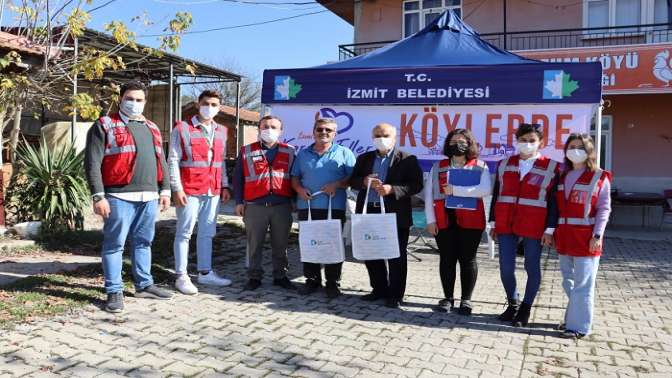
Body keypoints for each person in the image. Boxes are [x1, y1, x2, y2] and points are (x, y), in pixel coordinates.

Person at [84, 80, 174, 313]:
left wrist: (165, 190)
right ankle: (114, 290)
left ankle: (144, 285)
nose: (134, 103)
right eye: (129, 99)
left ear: (145, 102)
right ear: (120, 99)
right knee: (115, 245)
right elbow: (92, 163)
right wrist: (98, 196)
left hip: (149, 196)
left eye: (139, 100)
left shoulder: (152, 127)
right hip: (118, 196)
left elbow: (160, 160)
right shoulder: (104, 125)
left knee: (144, 242)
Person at [490, 123, 559, 327]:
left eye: (532, 141)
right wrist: (492, 222)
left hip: (535, 225)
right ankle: (513, 304)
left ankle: (525, 309)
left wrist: (550, 229)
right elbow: (497, 194)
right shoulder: (504, 163)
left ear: (541, 143)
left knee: (531, 266)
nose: (527, 144)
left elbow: (554, 202)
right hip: (505, 222)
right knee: (506, 268)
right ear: (516, 141)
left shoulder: (552, 167)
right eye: (523, 140)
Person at [349, 123, 423, 308]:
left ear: (395, 137)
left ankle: (396, 294)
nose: (381, 138)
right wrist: (364, 181)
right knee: (371, 252)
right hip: (368, 212)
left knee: (396, 255)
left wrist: (392, 189)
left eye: (386, 135)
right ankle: (379, 289)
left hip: (394, 214)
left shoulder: (407, 159)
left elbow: (416, 185)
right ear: (372, 138)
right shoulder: (364, 158)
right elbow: (353, 181)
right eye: (377, 135)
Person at [168, 90, 232, 295]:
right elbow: (173, 160)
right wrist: (176, 188)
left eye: (214, 104)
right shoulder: (182, 128)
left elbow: (220, 162)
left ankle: (205, 273)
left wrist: (224, 185)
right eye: (206, 103)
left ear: (219, 107)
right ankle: (181, 276)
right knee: (184, 232)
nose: (209, 108)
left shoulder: (222, 130)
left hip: (212, 190)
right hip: (189, 190)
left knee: (207, 233)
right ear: (197, 104)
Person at [424, 128, 491, 315]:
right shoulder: (438, 166)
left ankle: (466, 300)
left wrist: (455, 191)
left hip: (471, 220)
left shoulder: (480, 166)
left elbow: (485, 190)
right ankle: (447, 298)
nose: (457, 145)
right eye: (453, 141)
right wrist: (430, 220)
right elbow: (429, 194)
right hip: (444, 219)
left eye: (462, 141)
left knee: (468, 259)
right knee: (447, 259)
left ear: (470, 144)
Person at [552, 133, 611, 339]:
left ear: (589, 151)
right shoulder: (562, 176)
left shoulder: (599, 176)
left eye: (580, 147)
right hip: (565, 236)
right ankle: (573, 318)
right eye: (571, 146)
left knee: (583, 285)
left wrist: (598, 235)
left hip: (587, 237)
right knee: (568, 281)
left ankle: (579, 327)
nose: (575, 150)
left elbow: (604, 208)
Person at [291, 118, 356, 298]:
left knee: (332, 246)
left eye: (329, 130)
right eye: (320, 129)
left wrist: (337, 184)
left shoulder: (345, 153)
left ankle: (332, 283)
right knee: (309, 244)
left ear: (335, 134)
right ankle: (312, 281)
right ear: (314, 132)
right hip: (308, 207)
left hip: (334, 208)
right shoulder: (303, 154)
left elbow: (353, 178)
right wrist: (299, 189)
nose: (324, 132)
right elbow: (295, 177)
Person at [233, 115, 296, 291]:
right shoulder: (246, 150)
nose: (269, 130)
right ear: (259, 130)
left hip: (281, 206)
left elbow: (296, 179)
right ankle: (254, 277)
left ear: (281, 131)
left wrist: (294, 202)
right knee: (254, 244)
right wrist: (238, 202)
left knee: (281, 244)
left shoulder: (290, 151)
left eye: (274, 127)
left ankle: (280, 276)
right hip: (254, 207)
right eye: (265, 126)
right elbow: (238, 179)